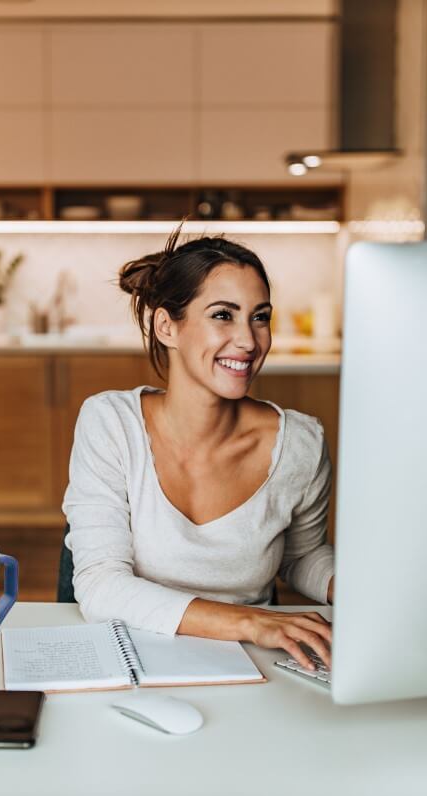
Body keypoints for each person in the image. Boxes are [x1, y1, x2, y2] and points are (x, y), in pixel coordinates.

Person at [63, 228, 335, 669]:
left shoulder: (301, 444)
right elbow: (100, 585)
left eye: (260, 317)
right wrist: (249, 622)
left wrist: (350, 585)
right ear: (167, 325)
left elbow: (301, 554)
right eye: (223, 315)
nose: (248, 341)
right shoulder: (111, 424)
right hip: (133, 658)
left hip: (257, 665)